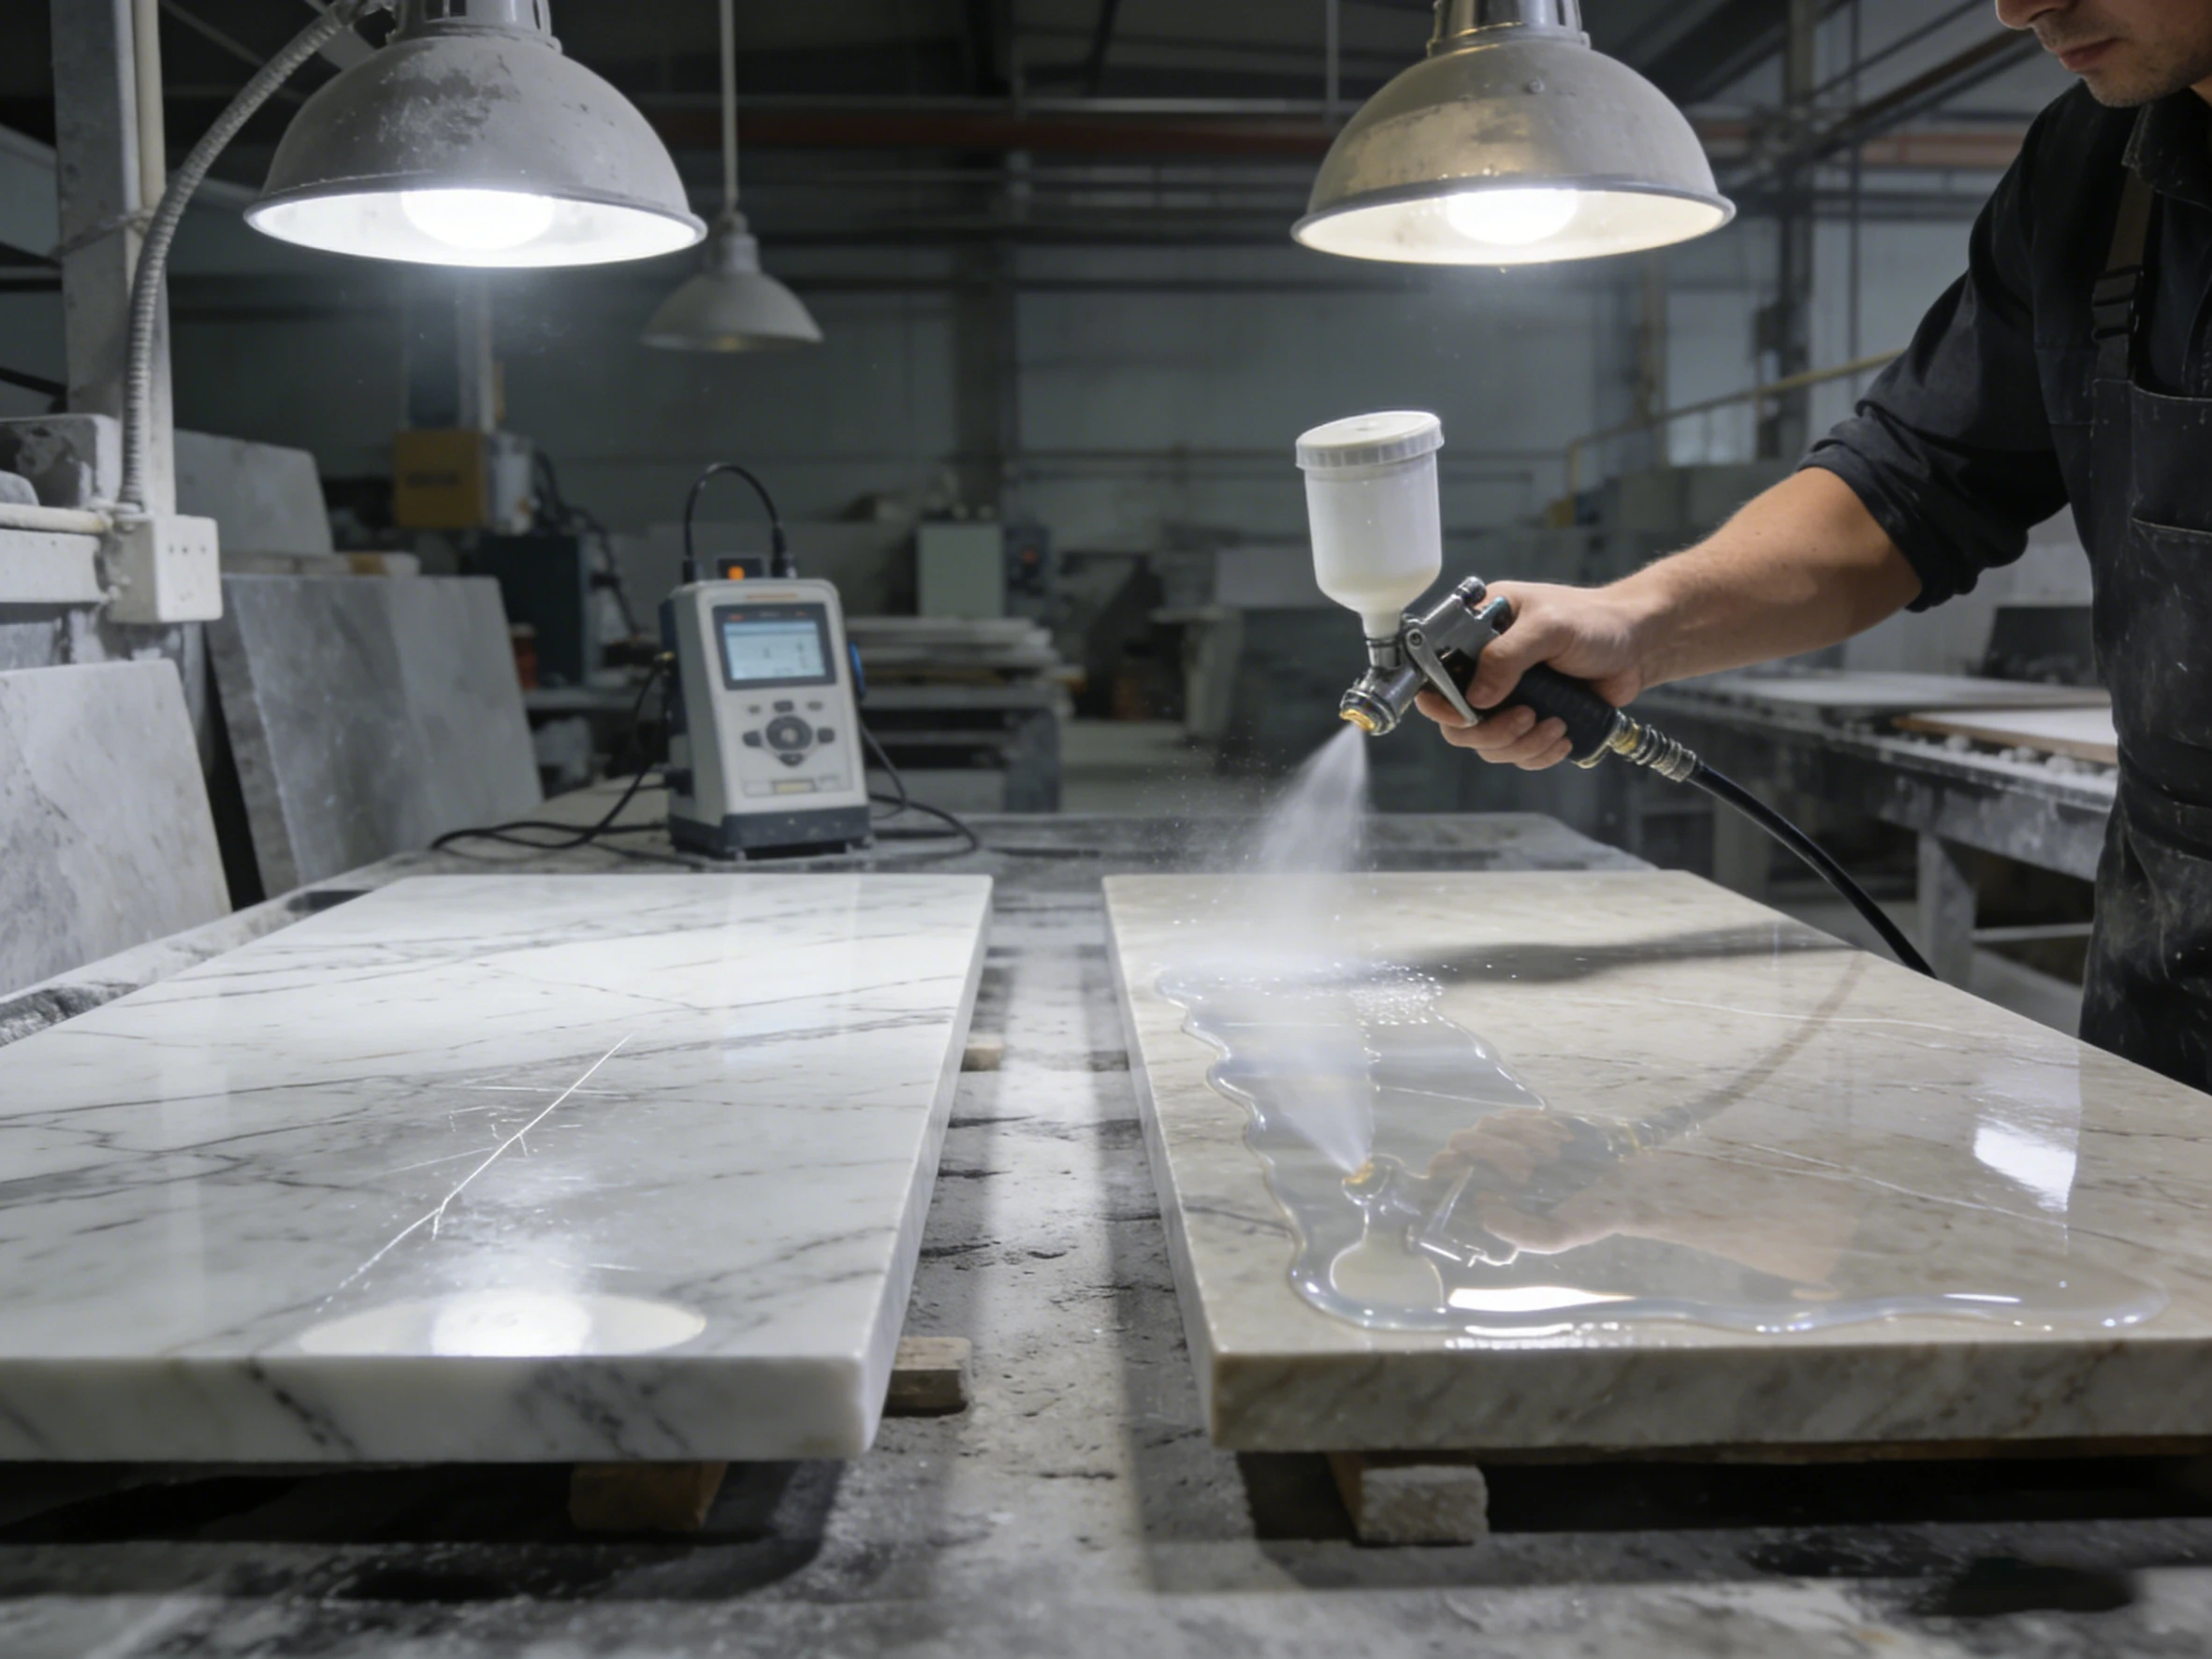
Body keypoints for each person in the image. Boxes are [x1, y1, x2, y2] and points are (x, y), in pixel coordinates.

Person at [1418, 0, 2212, 1089]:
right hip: (2174, 949)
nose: (2020, 5)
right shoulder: (2092, 173)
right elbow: (1907, 484)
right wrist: (1634, 623)